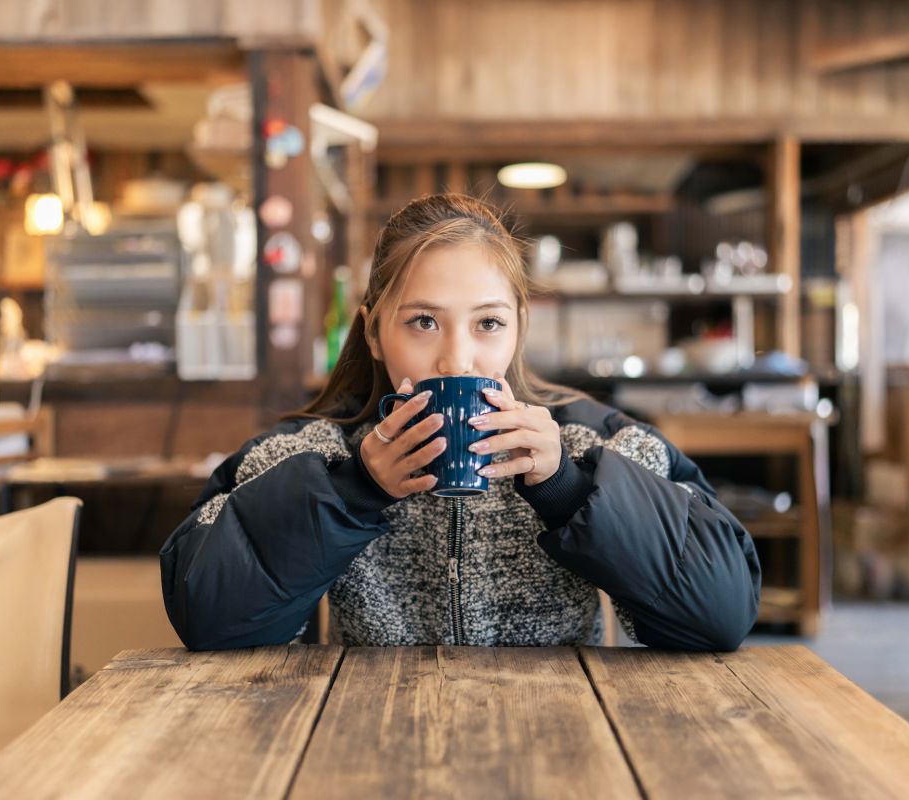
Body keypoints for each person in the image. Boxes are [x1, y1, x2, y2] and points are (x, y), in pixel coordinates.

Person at [160, 193, 760, 652]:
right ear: (373, 331)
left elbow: (721, 613)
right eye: (423, 321)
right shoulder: (309, 454)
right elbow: (208, 617)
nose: (457, 360)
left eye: (488, 324)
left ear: (519, 329)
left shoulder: (596, 444)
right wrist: (352, 490)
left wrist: (570, 490)